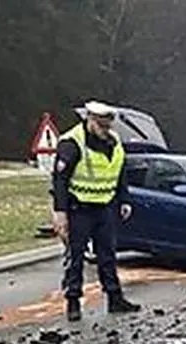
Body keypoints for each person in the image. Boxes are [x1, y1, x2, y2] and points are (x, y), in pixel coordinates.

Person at [52, 100, 140, 322]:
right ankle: (73, 301)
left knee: (108, 254)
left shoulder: (114, 140)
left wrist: (124, 199)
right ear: (90, 121)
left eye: (108, 126)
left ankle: (115, 298)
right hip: (79, 208)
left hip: (105, 206)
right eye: (101, 126)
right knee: (76, 256)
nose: (105, 131)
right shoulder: (72, 143)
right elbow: (60, 180)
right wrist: (60, 213)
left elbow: (119, 172)